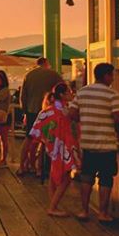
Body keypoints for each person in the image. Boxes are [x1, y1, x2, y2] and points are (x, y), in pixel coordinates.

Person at [72, 62, 119, 222]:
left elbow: (72, 113)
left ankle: (84, 210)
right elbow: (117, 118)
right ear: (106, 75)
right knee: (106, 179)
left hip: (87, 143)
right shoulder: (113, 94)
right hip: (106, 144)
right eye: (112, 75)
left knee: (87, 177)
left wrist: (86, 121)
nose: (113, 78)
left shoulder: (82, 92)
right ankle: (103, 213)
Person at [31, 82, 80, 217]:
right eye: (69, 92)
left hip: (52, 147)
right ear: (62, 95)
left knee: (54, 176)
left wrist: (46, 141)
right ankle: (53, 206)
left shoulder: (49, 110)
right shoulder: (64, 111)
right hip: (64, 146)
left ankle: (54, 205)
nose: (72, 94)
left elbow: (36, 129)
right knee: (66, 177)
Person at [18, 57, 64, 177]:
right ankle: (39, 169)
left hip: (31, 110)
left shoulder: (29, 75)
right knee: (43, 141)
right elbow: (63, 90)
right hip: (47, 111)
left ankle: (22, 166)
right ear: (46, 63)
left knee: (29, 139)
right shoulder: (53, 75)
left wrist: (25, 112)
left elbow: (23, 96)